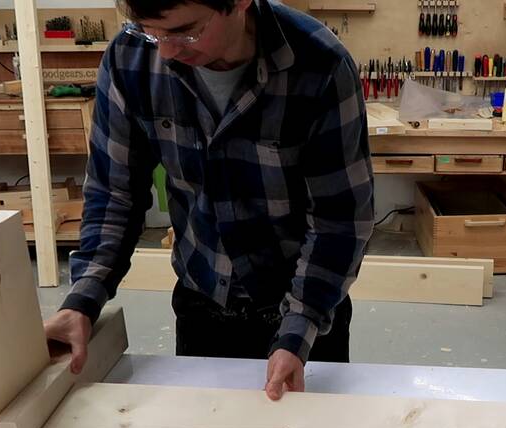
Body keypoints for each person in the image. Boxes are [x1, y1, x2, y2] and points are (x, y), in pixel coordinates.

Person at [43, 0, 374, 401]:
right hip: (202, 305)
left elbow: (339, 221)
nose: (166, 52)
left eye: (185, 31)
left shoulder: (319, 64)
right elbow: (115, 193)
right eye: (149, 31)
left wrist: (299, 326)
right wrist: (83, 300)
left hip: (307, 306)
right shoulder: (131, 58)